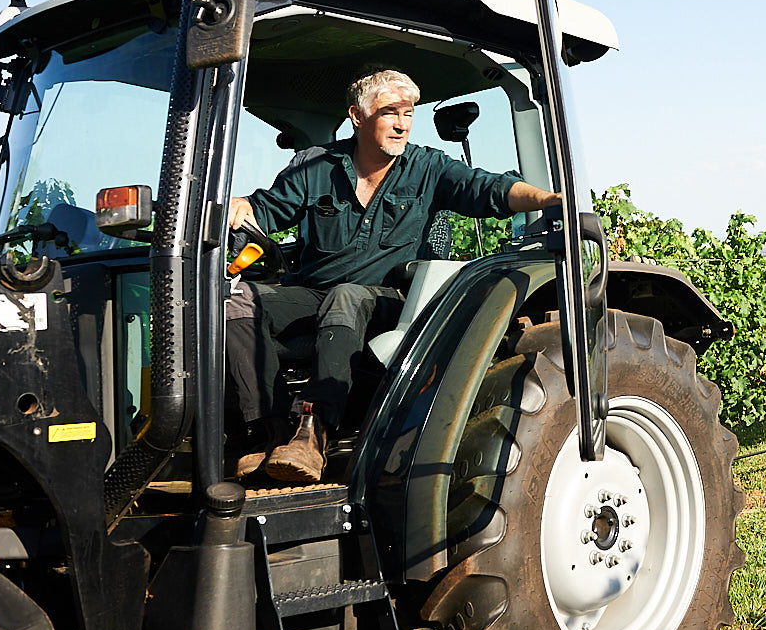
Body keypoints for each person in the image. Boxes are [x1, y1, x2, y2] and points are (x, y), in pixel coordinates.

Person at [227, 68, 560, 484]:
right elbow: (268, 208)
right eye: (391, 112)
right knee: (233, 298)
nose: (402, 124)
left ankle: (314, 434)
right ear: (358, 116)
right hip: (316, 295)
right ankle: (271, 433)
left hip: (394, 303)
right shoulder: (316, 167)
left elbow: (489, 189)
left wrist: (548, 199)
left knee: (347, 294)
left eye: (409, 113)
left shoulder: (427, 168)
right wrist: (243, 206)